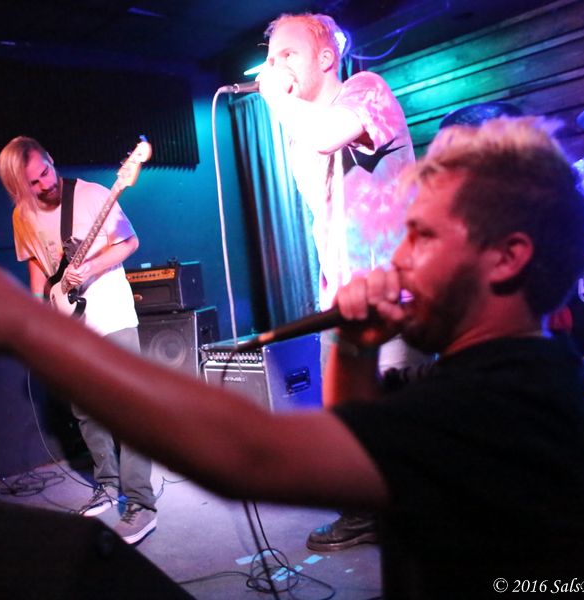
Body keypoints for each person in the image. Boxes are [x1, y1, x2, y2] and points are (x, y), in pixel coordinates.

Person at [0, 116, 584, 599]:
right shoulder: (503, 375)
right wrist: (354, 348)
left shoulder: (502, 404)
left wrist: (28, 330)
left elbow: (250, 455)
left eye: (422, 236)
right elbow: (356, 459)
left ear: (508, 257)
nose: (397, 257)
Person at [256, 12, 424, 550]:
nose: (274, 67)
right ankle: (365, 512)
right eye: (270, 57)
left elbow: (330, 136)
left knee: (402, 415)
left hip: (393, 291)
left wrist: (277, 98)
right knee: (347, 416)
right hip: (342, 294)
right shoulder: (300, 131)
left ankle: (427, 526)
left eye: (288, 55)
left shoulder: (366, 89)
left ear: (326, 58)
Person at [0, 136, 157, 544]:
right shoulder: (22, 215)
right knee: (86, 410)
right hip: (70, 321)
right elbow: (38, 262)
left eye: (45, 172)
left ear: (51, 159)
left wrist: (91, 268)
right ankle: (108, 483)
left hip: (112, 313)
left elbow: (130, 242)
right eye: (33, 182)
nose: (45, 184)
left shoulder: (94, 195)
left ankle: (141, 503)